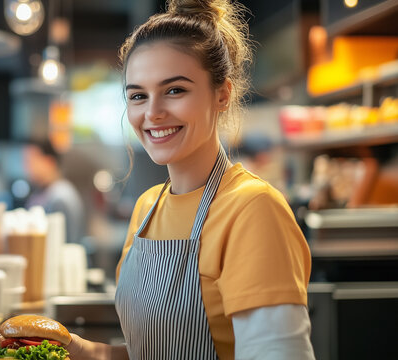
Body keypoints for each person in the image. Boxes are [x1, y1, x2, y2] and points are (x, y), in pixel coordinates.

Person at [65, 0, 315, 359]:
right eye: (138, 95)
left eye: (175, 90)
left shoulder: (252, 210)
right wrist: (80, 350)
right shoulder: (146, 209)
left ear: (222, 94)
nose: (152, 113)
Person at [23, 140, 85, 244]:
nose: (27, 168)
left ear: (49, 162)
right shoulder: (43, 192)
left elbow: (62, 244)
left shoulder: (60, 197)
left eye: (30, 161)